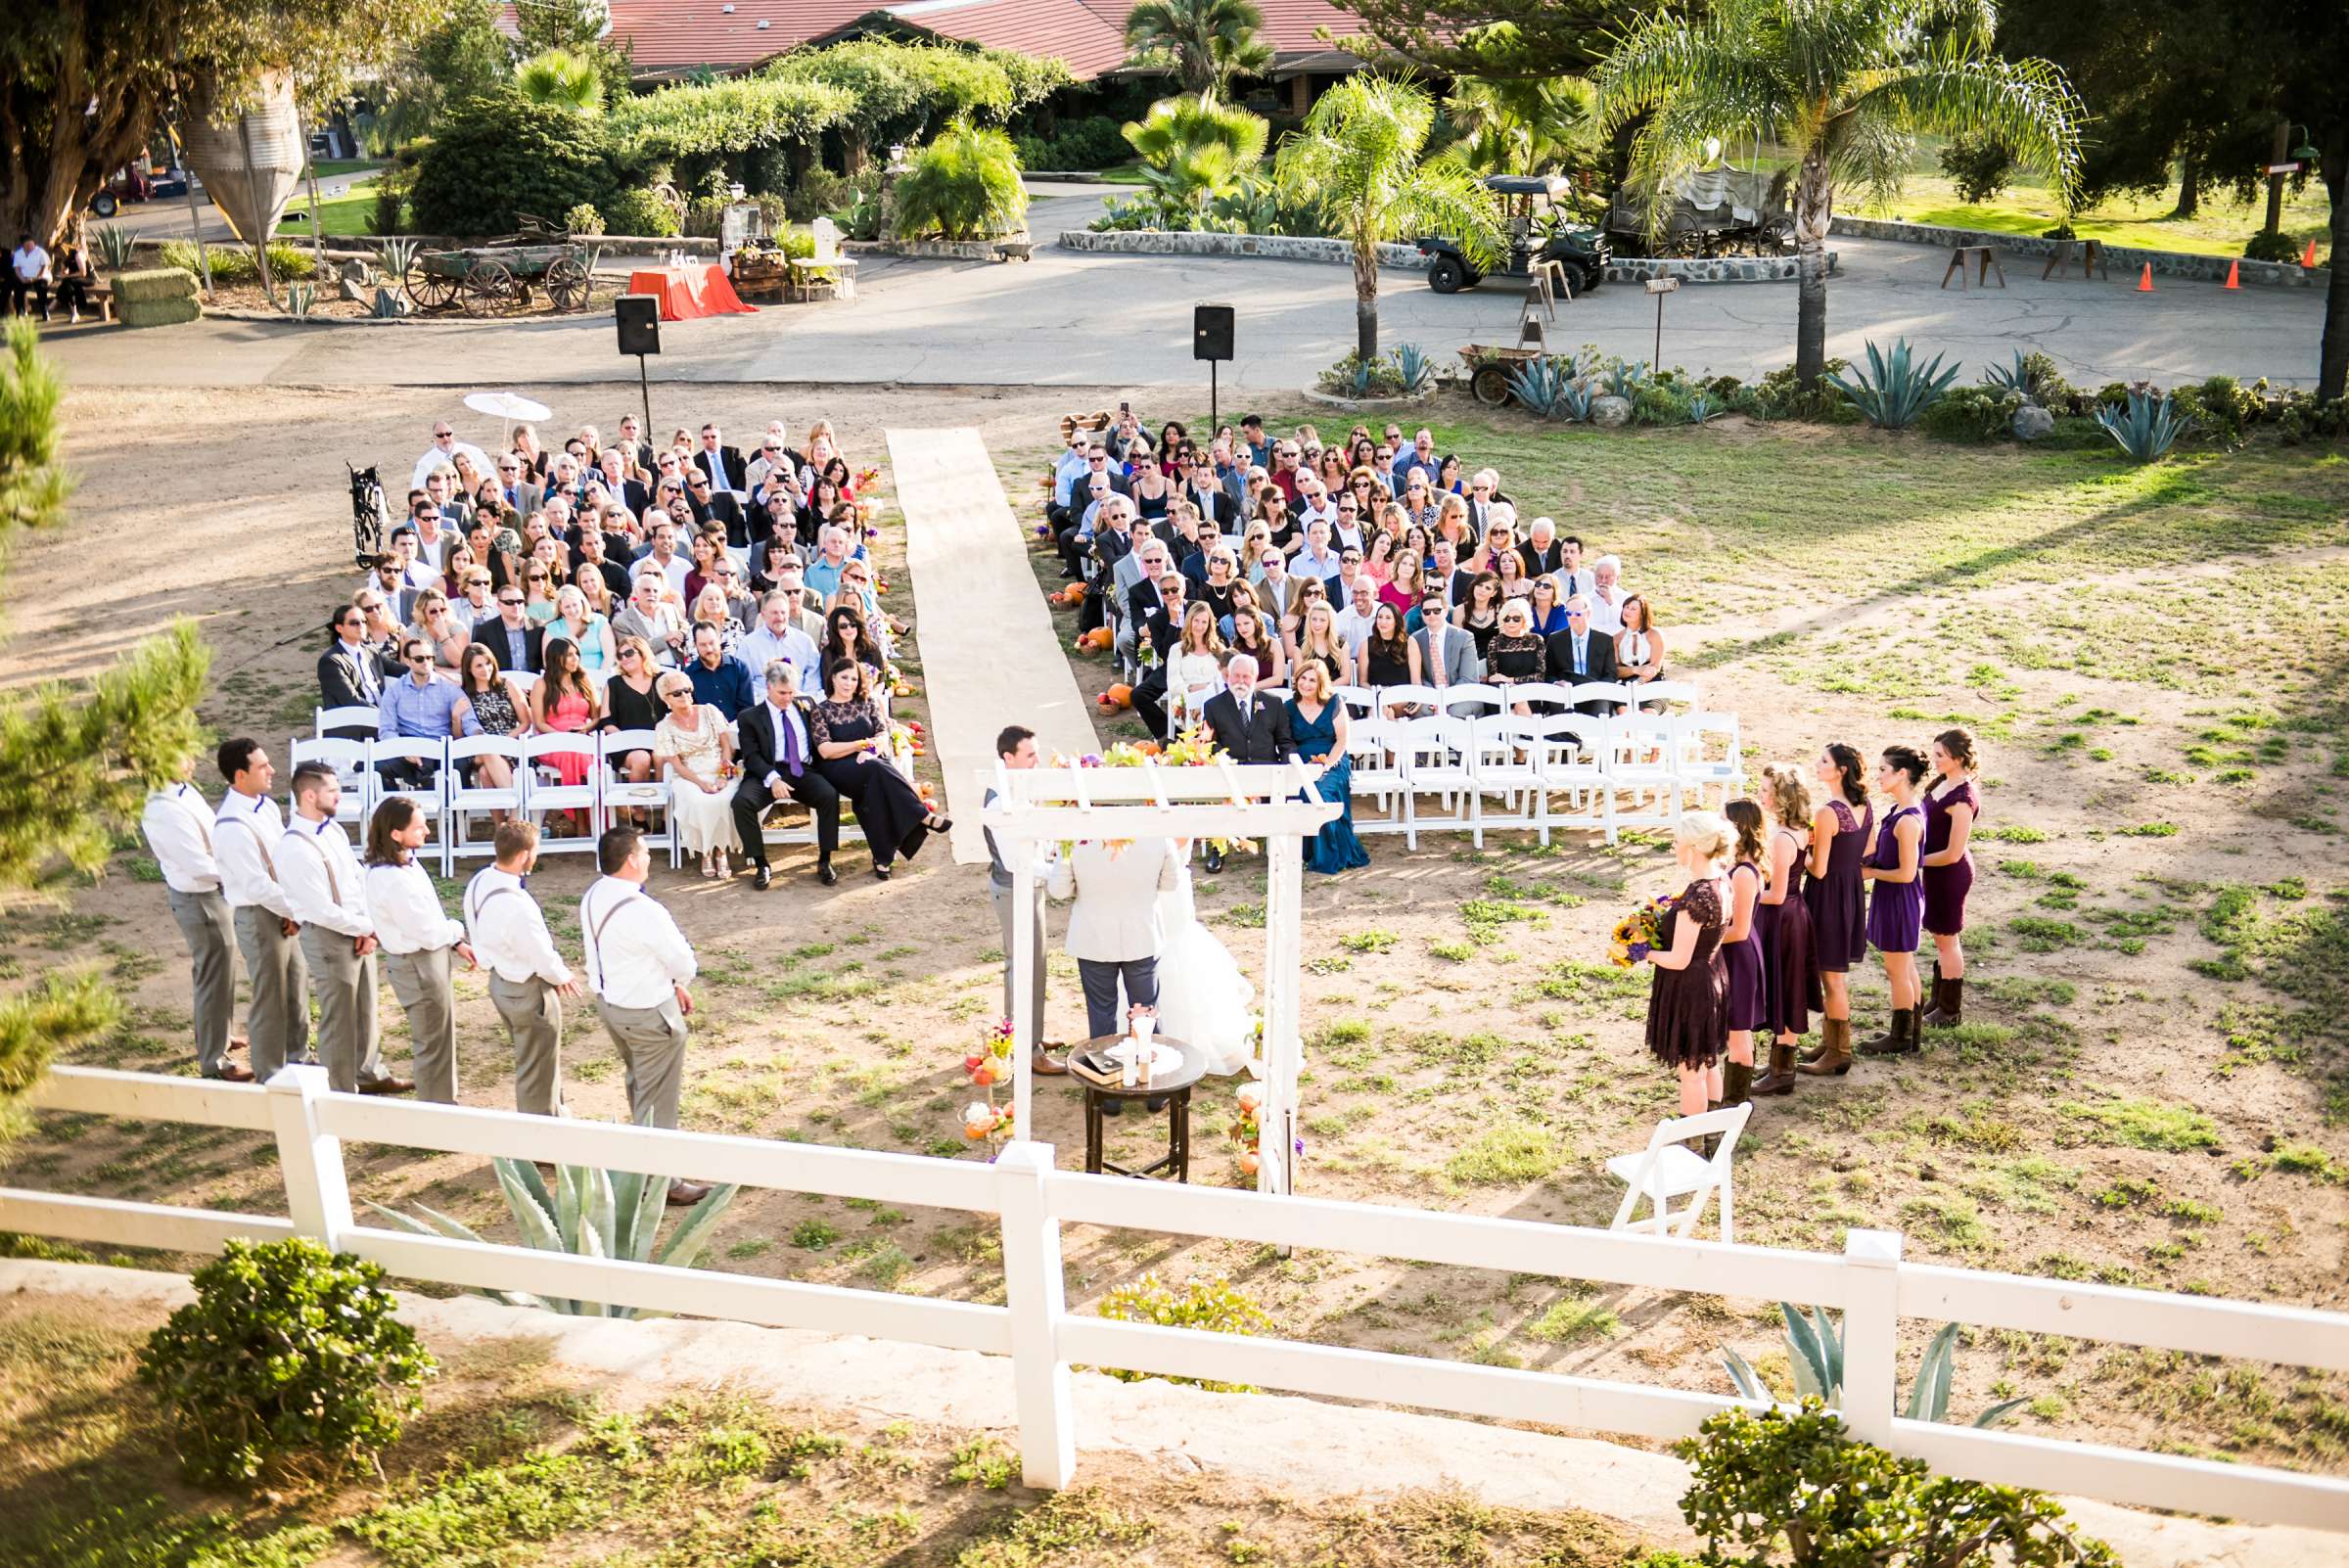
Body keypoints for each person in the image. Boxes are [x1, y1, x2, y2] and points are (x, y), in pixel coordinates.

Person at [580, 828, 710, 1203]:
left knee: (640, 1084)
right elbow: (683, 961)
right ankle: (660, 1184)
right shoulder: (645, 911)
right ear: (632, 860)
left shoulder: (593, 895)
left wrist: (671, 984)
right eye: (646, 853)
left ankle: (644, 1163)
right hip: (648, 1013)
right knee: (658, 1100)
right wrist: (677, 981)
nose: (650, 859)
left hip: (612, 1004)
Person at [277, 761, 411, 1095]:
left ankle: (368, 1072)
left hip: (358, 929)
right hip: (328, 938)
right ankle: (339, 1091)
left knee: (365, 1008)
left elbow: (355, 877)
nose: (340, 796)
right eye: (332, 791)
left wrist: (368, 926)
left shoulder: (332, 829)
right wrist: (368, 927)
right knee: (339, 1019)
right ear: (309, 795)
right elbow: (320, 910)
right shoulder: (294, 847)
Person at [142, 756, 250, 1081]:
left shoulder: (183, 790)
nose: (191, 760)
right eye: (181, 756)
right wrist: (237, 870)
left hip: (214, 892)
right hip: (201, 898)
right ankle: (214, 1061)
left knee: (222, 968)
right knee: (212, 974)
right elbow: (196, 864)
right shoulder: (163, 808)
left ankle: (219, 1034)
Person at [363, 796, 475, 1104]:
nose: (427, 831)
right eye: (419, 827)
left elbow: (427, 917)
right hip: (418, 963)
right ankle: (437, 1110)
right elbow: (427, 932)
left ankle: (443, 1101)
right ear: (396, 833)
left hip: (429, 957)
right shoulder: (391, 878)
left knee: (440, 1035)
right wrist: (456, 930)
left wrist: (455, 943)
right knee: (432, 1041)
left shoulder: (405, 861)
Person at [465, 820, 580, 1116]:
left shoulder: (480, 880)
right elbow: (539, 954)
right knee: (537, 1066)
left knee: (534, 1058)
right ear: (523, 855)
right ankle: (542, 1137)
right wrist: (562, 976)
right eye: (535, 851)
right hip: (526, 989)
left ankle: (554, 1112)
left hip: (499, 981)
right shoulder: (517, 906)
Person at [212, 738, 310, 1080]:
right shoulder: (231, 826)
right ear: (240, 776)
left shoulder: (265, 807)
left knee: (297, 985)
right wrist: (293, 908)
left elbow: (282, 857)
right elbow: (256, 884)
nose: (272, 770)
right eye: (262, 766)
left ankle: (298, 1058)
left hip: (284, 908)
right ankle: (271, 1072)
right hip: (259, 915)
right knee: (271, 997)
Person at [811, 661, 947, 880]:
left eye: (854, 679)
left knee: (874, 785)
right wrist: (860, 745)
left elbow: (883, 735)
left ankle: (882, 857)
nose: (849, 683)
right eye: (844, 677)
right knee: (877, 770)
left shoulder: (867, 703)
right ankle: (920, 815)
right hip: (837, 768)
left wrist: (872, 750)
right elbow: (825, 750)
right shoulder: (822, 710)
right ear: (833, 677)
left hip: (871, 762)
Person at [983, 725, 1066, 1079]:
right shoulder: (999, 799)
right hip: (1016, 887)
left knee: (1031, 965)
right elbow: (1016, 861)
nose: (1037, 761)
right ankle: (1027, 1049)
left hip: (1028, 884)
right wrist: (1058, 872)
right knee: (1026, 968)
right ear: (1008, 757)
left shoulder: (1020, 786)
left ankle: (1024, 1036)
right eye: (1030, 755)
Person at [1049, 835, 1179, 1047]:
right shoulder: (1158, 837)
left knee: (1101, 1011)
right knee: (1145, 1012)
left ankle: (1103, 1070)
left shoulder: (1074, 840)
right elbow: (1170, 884)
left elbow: (1059, 890)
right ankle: (1150, 1068)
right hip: (1142, 934)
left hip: (1094, 937)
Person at [1646, 811, 1733, 1123]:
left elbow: (1679, 959)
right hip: (1713, 975)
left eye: (1676, 841)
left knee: (1691, 1071)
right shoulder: (1721, 881)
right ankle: (1713, 1133)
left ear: (1694, 848)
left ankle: (1692, 1145)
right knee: (1708, 1061)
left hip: (1692, 987)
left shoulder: (1696, 899)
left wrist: (1643, 952)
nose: (1673, 846)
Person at [1798, 744, 1874, 1078]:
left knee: (1832, 980)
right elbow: (1869, 850)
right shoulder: (1865, 806)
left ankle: (1839, 1052)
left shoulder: (1828, 812)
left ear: (1841, 770)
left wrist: (1800, 850)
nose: (1817, 764)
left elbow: (1818, 869)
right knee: (1834, 977)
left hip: (1827, 896)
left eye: (1824, 761)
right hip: (1850, 894)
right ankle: (1829, 1043)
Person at [734, 660, 843, 889]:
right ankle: (761, 863)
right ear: (769, 687)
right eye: (782, 693)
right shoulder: (750, 716)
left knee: (828, 796)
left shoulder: (806, 704)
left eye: (791, 692)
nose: (787, 698)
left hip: (803, 769)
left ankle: (825, 859)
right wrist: (772, 778)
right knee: (742, 803)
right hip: (768, 770)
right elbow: (751, 756)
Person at [1750, 764, 1817, 1096]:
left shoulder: (1782, 838)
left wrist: (1741, 894)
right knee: (1783, 984)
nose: (1760, 795)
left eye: (1765, 791)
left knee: (1787, 987)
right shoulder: (1797, 828)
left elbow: (1775, 893)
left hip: (1783, 915)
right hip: (1792, 912)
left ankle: (1783, 1070)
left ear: (1782, 798)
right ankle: (1779, 1059)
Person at [1859, 745, 1929, 1057]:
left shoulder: (1908, 820)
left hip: (1901, 900)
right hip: (1895, 899)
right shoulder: (1899, 810)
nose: (1879, 776)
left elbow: (1906, 873)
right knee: (1905, 966)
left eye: (1883, 770)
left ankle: (1900, 1037)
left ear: (1902, 774)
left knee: (1897, 970)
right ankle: (1909, 1030)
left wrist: (1871, 872)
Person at [1200, 655, 1293, 873]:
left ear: (1255, 677)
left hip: (1267, 771)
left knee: (1282, 795)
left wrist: (1287, 767)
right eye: (1236, 676)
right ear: (1228, 676)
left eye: (1246, 676)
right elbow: (1208, 743)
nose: (1241, 681)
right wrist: (1223, 761)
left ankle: (1278, 851)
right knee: (1221, 795)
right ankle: (1218, 850)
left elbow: (1285, 742)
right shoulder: (1213, 706)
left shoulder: (1273, 703)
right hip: (1231, 771)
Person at [654, 669, 742, 879]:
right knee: (698, 800)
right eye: (677, 693)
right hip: (689, 775)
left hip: (722, 768)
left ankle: (722, 852)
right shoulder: (664, 727)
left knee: (728, 797)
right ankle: (706, 852)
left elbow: (727, 747)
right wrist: (701, 783)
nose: (684, 695)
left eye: (686, 690)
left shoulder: (709, 711)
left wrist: (723, 774)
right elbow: (677, 765)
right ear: (666, 699)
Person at [1919, 727, 1981, 1029]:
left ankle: (1949, 1008)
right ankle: (1937, 999)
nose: (1935, 760)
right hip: (1934, 871)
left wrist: (1914, 862)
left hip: (1949, 874)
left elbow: (1953, 853)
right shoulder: (1944, 782)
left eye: (1940, 755)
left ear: (1958, 758)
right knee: (1940, 939)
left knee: (1947, 941)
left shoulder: (1962, 798)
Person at [1287, 663, 1368, 875]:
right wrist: (1302, 765)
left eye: (1312, 680)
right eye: (1303, 678)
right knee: (1302, 792)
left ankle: (1328, 855)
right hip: (1302, 764)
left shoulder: (1334, 702)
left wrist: (1327, 765)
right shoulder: (1288, 706)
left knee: (1322, 793)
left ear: (1321, 683)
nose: (1306, 684)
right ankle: (1307, 853)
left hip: (1333, 760)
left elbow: (1342, 741)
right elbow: (1286, 742)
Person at [377, 635, 480, 788]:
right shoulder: (394, 691)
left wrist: (478, 735)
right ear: (407, 661)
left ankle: (453, 811)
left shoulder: (449, 688)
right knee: (378, 768)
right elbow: (387, 730)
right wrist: (403, 750)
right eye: (419, 659)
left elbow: (469, 720)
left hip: (441, 747)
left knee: (460, 765)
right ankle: (395, 809)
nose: (426, 662)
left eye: (430, 658)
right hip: (408, 747)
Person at [1719, 801, 1768, 1108]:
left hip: (1739, 954)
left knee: (1739, 1030)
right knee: (1737, 1029)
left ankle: (1737, 1102)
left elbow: (1739, 928)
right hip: (1733, 952)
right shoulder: (1734, 866)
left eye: (1722, 820)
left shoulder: (1744, 874)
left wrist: (1702, 939)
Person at [1165, 601, 1227, 735]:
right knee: (1201, 715)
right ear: (1189, 621)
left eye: (1204, 622)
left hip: (1215, 700)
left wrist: (1205, 688)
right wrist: (1193, 690)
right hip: (1185, 703)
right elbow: (1174, 684)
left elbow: (1225, 680)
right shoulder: (1177, 650)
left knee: (1214, 712)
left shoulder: (1219, 650)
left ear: (1209, 624)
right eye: (1196, 621)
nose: (1199, 626)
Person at [1547, 595, 1619, 714]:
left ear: (1588, 614)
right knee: (1558, 710)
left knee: (1601, 710)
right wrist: (1557, 683)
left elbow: (1610, 674)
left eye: (1578, 614)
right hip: (1566, 692)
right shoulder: (1555, 639)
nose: (1573, 617)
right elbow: (1550, 673)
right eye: (1569, 613)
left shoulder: (1604, 640)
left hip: (1595, 692)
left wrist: (1598, 688)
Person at [682, 622, 755, 720]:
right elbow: (689, 711)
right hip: (705, 731)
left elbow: (747, 709)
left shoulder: (739, 668)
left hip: (737, 728)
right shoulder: (688, 675)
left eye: (712, 643)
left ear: (719, 639)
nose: (709, 649)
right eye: (703, 645)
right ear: (695, 645)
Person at [1485, 599, 1546, 713]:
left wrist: (1511, 680)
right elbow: (1493, 678)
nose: (1511, 622)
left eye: (1516, 619)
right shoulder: (1495, 642)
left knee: (1521, 701)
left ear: (1525, 619)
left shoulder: (1536, 640)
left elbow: (1540, 676)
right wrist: (1511, 687)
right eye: (1507, 619)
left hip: (1531, 692)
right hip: (1504, 694)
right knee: (1519, 701)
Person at [470, 581, 545, 674]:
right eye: (509, 602)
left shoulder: (539, 628)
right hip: (500, 684)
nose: (516, 606)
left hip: (534, 684)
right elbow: (478, 663)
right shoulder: (485, 631)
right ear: (498, 605)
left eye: (520, 601)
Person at [1413, 588, 1480, 690]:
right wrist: (1435, 698)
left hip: (1463, 694)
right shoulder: (1415, 639)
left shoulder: (1465, 637)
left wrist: (1447, 698)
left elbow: (1467, 678)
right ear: (1422, 614)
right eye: (1427, 611)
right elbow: (1420, 677)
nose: (1432, 615)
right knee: (1422, 706)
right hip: (1430, 696)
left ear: (1446, 611)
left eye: (1437, 611)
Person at [1617, 596, 1667, 687]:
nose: (1627, 611)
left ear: (1642, 614)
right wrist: (1635, 670)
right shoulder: (1616, 638)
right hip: (1626, 684)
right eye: (1626, 607)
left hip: (1653, 681)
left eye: (1633, 609)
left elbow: (1655, 667)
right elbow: (1615, 671)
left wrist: (1638, 683)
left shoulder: (1655, 634)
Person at [8, 232, 50, 319]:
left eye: (32, 244)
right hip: (24, 277)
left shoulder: (40, 252)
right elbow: (17, 268)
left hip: (39, 277)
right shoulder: (18, 254)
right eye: (27, 245)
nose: (30, 247)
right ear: (23, 245)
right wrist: (22, 278)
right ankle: (19, 313)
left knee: (41, 288)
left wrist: (37, 277)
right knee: (17, 288)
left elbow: (45, 266)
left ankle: (45, 312)